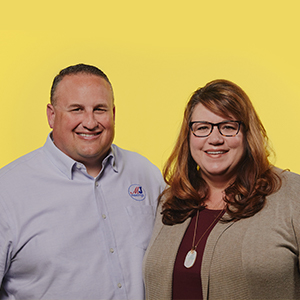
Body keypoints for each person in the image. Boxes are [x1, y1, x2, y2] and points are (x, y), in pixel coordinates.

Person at [0, 63, 165, 299]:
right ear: (51, 115)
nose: (90, 122)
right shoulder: (7, 191)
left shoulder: (145, 174)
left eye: (100, 109)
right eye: (76, 109)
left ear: (114, 114)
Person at [143, 79, 300, 300]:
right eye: (202, 128)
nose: (214, 139)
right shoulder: (171, 200)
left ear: (247, 134)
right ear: (188, 138)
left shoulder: (293, 195)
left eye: (228, 127)